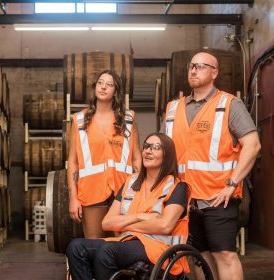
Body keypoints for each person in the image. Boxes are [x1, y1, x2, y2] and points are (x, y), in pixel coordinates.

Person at [165, 52, 261, 280]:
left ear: (214, 72)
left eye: (201, 66)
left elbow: (253, 145)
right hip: (185, 199)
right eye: (191, 66)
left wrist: (232, 183)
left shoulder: (229, 104)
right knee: (197, 255)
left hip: (219, 196)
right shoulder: (173, 108)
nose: (193, 70)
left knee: (225, 254)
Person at [66, 133, 190, 280]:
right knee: (76, 247)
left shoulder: (178, 187)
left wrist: (124, 225)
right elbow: (107, 223)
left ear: (167, 155)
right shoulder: (130, 182)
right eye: (146, 146)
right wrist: (139, 217)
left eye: (156, 147)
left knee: (107, 251)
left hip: (159, 248)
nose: (148, 151)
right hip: (127, 242)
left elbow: (164, 226)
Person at [67, 69, 142, 239]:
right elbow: (73, 161)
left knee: (124, 246)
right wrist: (73, 197)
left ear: (116, 91)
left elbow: (137, 158)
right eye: (100, 83)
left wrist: (138, 192)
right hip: (91, 192)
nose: (103, 87)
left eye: (109, 84)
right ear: (95, 87)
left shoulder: (128, 119)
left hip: (124, 193)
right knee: (93, 246)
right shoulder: (79, 120)